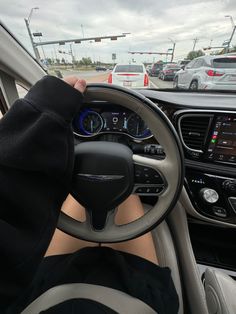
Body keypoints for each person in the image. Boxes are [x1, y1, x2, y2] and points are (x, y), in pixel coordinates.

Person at [0, 75, 179, 313]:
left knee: (75, 193)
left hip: (41, 291)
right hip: (139, 295)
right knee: (128, 194)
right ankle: (127, 193)